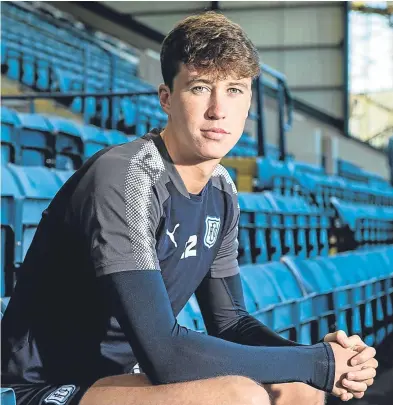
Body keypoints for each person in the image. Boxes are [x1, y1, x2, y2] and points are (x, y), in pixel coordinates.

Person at [1, 11, 378, 405]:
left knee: (299, 389)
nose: (218, 110)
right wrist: (316, 362)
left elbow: (230, 322)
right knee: (239, 396)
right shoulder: (125, 177)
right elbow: (165, 354)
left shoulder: (222, 190)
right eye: (200, 88)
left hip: (124, 378)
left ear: (249, 102)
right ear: (166, 97)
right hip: (46, 384)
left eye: (234, 90)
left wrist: (328, 360)